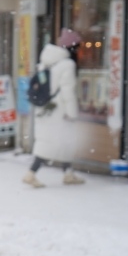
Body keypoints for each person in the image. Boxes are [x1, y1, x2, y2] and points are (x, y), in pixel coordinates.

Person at [24, 29, 86, 188]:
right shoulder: (68, 64)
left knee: (59, 142)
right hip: (60, 111)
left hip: (45, 109)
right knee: (54, 143)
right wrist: (72, 113)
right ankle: (31, 173)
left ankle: (68, 173)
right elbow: (68, 91)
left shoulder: (46, 61)